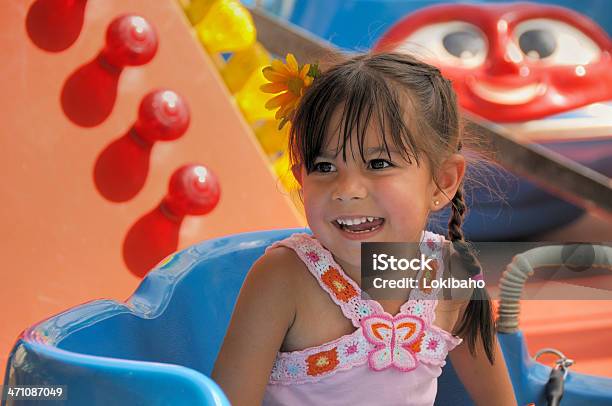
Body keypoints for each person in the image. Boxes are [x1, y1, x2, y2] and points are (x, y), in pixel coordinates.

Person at [212, 51, 517, 405]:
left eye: (378, 163)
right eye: (324, 167)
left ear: (441, 182)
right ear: (301, 179)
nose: (346, 190)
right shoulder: (282, 280)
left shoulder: (452, 276)